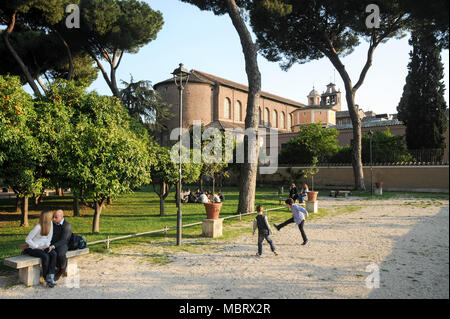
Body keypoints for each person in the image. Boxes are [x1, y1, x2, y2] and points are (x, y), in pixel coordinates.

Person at [24, 210, 57, 287]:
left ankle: (51, 276)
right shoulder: (38, 227)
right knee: (45, 256)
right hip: (33, 248)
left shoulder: (51, 224)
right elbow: (27, 239)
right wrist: (38, 247)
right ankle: (46, 278)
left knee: (53, 253)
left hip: (44, 247)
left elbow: (49, 237)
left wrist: (47, 246)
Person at [50, 209, 72, 281]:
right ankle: (51, 269)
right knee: (49, 252)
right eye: (53, 217)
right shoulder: (52, 224)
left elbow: (64, 240)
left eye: (56, 217)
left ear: (61, 217)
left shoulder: (67, 225)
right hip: (53, 243)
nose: (54, 219)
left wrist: (53, 246)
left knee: (60, 253)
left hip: (64, 244)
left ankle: (61, 268)